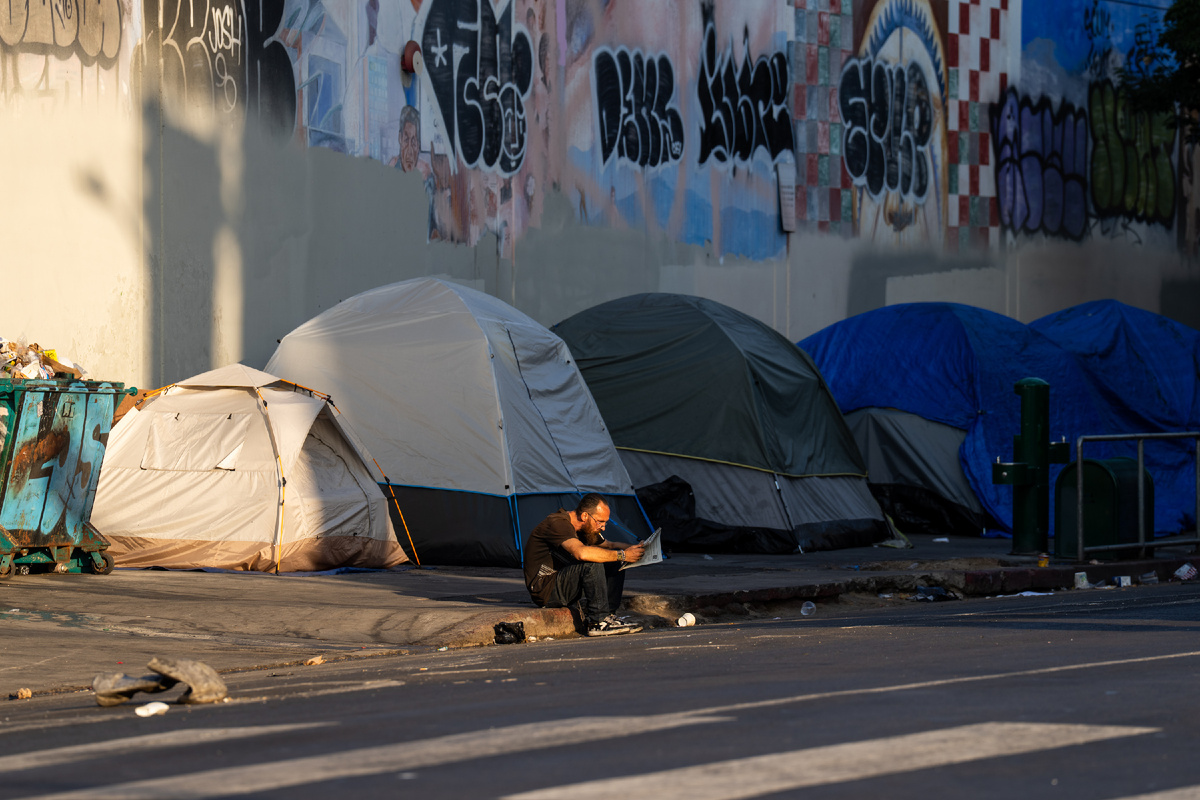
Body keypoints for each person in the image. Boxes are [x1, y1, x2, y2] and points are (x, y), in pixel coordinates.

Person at [523, 493, 646, 636]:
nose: (603, 527)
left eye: (605, 522)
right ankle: (598, 622)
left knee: (614, 561)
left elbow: (610, 545)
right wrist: (623, 555)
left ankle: (608, 616)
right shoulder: (558, 523)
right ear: (585, 516)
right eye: (600, 521)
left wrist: (636, 549)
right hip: (546, 589)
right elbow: (581, 553)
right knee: (591, 562)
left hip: (565, 582)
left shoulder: (584, 528)